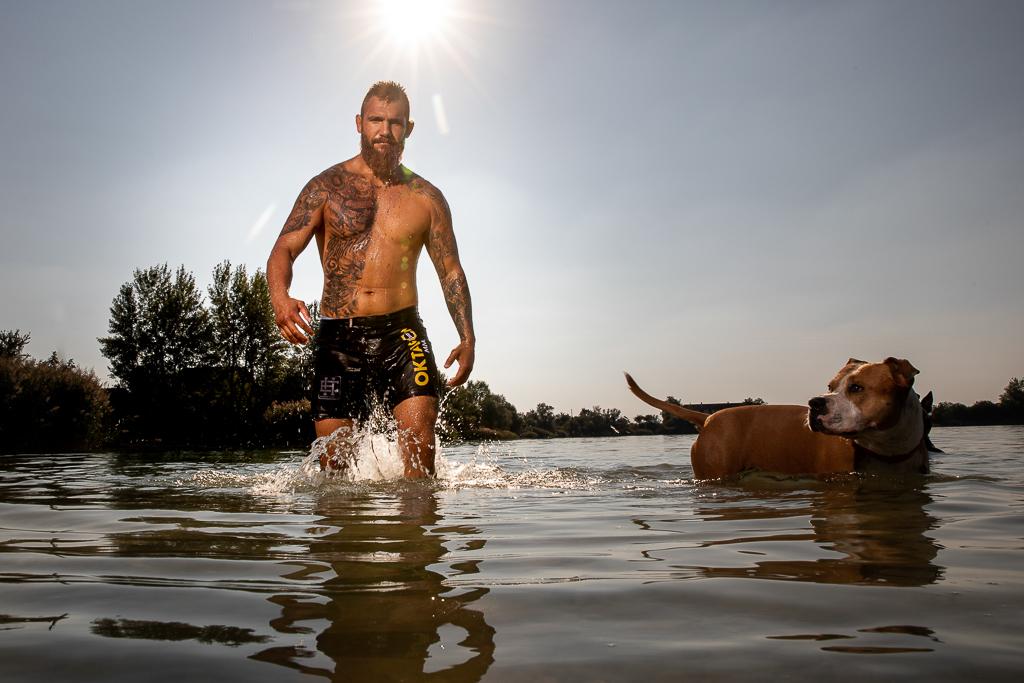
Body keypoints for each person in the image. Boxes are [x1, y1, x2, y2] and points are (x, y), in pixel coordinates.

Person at [267, 80, 474, 478]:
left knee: (419, 452)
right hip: (338, 338)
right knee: (335, 470)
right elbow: (284, 248)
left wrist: (467, 337)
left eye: (395, 122)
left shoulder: (427, 197)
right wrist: (281, 297)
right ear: (360, 123)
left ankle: (416, 534)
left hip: (403, 333)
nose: (385, 130)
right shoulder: (326, 187)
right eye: (376, 120)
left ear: (408, 129)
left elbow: (451, 270)